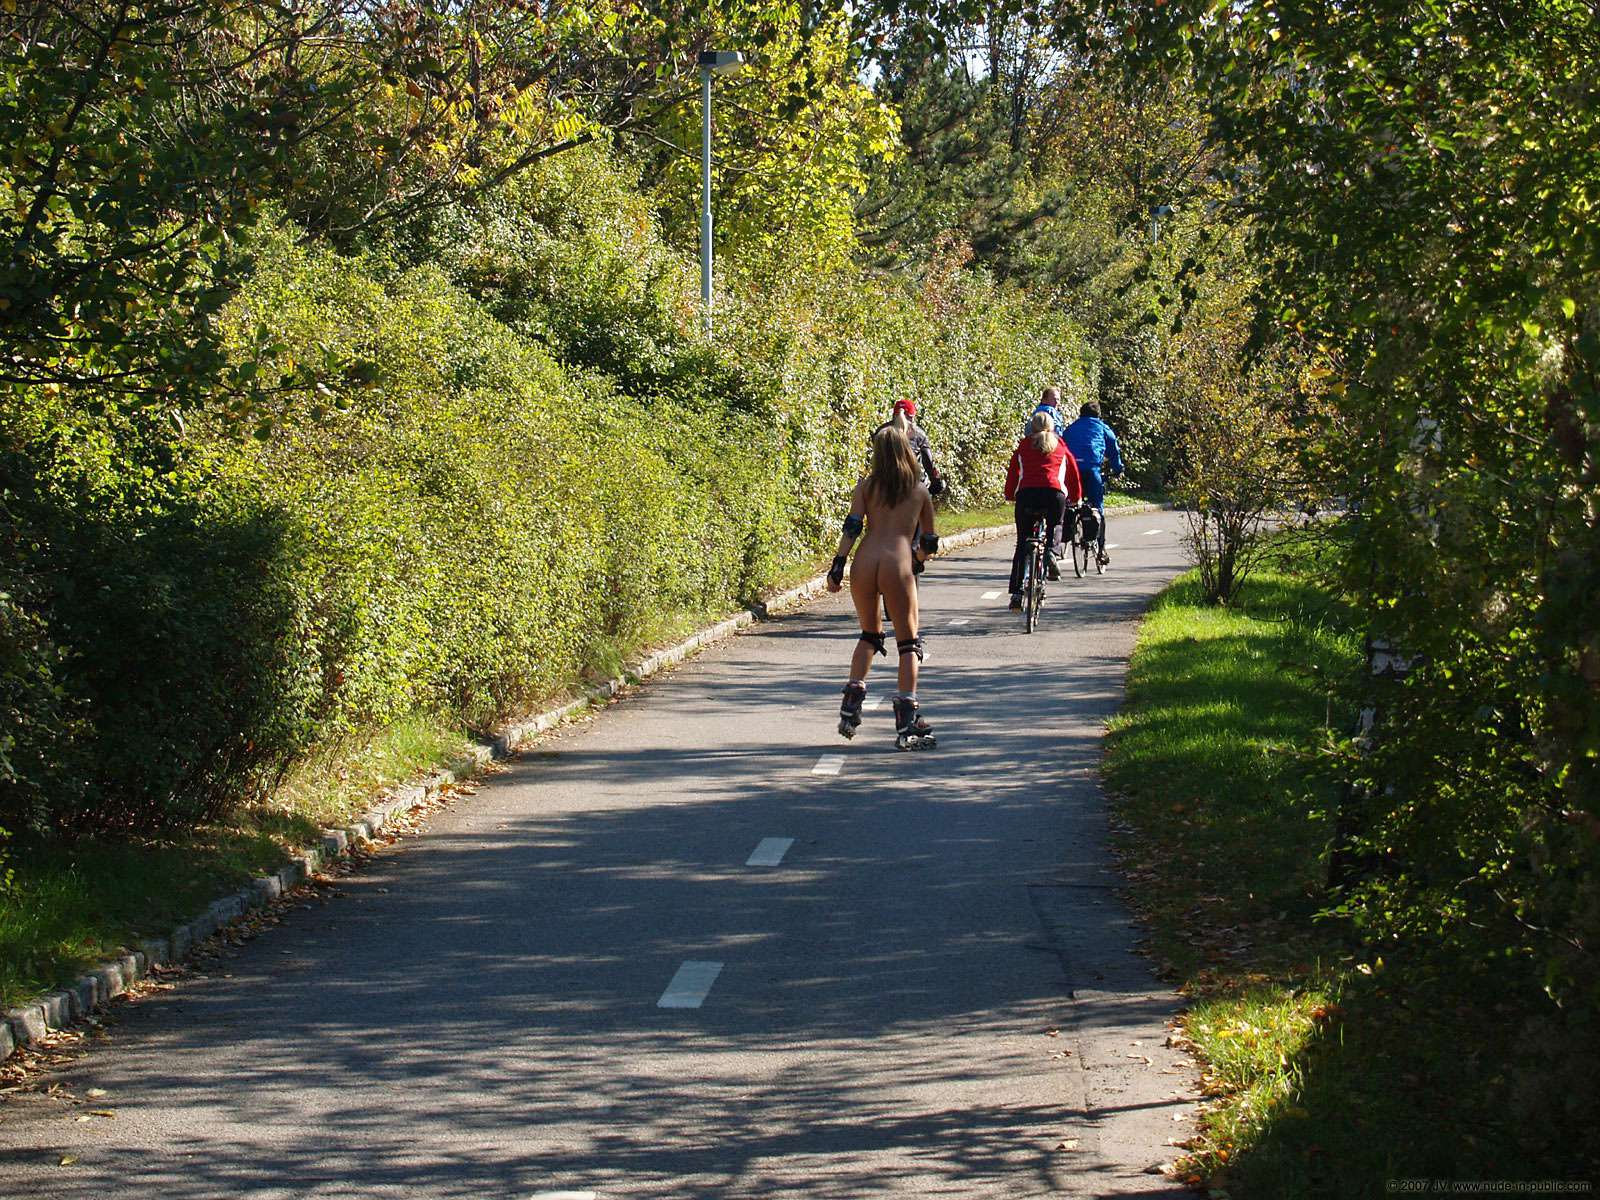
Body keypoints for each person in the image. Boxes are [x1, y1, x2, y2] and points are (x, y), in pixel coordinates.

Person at [827, 424, 939, 750]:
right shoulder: (919, 491)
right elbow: (929, 541)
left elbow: (852, 527)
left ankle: (851, 704)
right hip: (897, 562)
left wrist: (838, 565)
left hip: (865, 560)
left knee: (870, 635)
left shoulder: (866, 486)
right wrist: (917, 560)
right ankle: (906, 721)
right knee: (908, 644)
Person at [1004, 411, 1083, 608]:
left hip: (1027, 495)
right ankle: (1051, 552)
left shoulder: (1024, 445)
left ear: (1032, 427)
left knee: (1022, 543)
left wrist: (1010, 494)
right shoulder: (1060, 445)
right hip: (1053, 495)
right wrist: (1076, 497)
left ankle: (1016, 594)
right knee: (1056, 525)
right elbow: (1072, 472)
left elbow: (1013, 472)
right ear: (1053, 426)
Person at [1063, 400, 1124, 566]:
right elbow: (1113, 450)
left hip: (1072, 472)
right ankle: (1101, 549)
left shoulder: (1070, 429)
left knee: (1071, 503)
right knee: (1098, 507)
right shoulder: (1102, 428)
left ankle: (1068, 531)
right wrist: (1118, 468)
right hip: (1092, 471)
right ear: (1098, 415)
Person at [874, 398, 946, 497]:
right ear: (912, 417)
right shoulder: (919, 435)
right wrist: (937, 483)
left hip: (884, 485)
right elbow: (929, 464)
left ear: (894, 415)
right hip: (913, 485)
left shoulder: (881, 431)